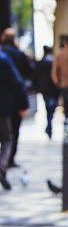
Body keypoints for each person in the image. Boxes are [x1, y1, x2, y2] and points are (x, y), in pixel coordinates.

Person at [2, 28, 34, 166]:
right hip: (9, 101)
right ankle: (6, 162)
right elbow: (19, 80)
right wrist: (23, 104)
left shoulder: (5, 54)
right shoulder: (9, 57)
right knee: (11, 133)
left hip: (8, 100)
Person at [0, 47, 28, 189]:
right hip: (3, 108)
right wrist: (23, 103)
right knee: (6, 139)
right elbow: (17, 82)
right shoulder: (4, 59)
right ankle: (2, 166)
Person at [35, 45, 59, 139]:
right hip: (53, 89)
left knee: (48, 108)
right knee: (51, 108)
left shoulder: (41, 62)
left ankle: (49, 126)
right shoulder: (54, 61)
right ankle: (49, 126)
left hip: (45, 89)